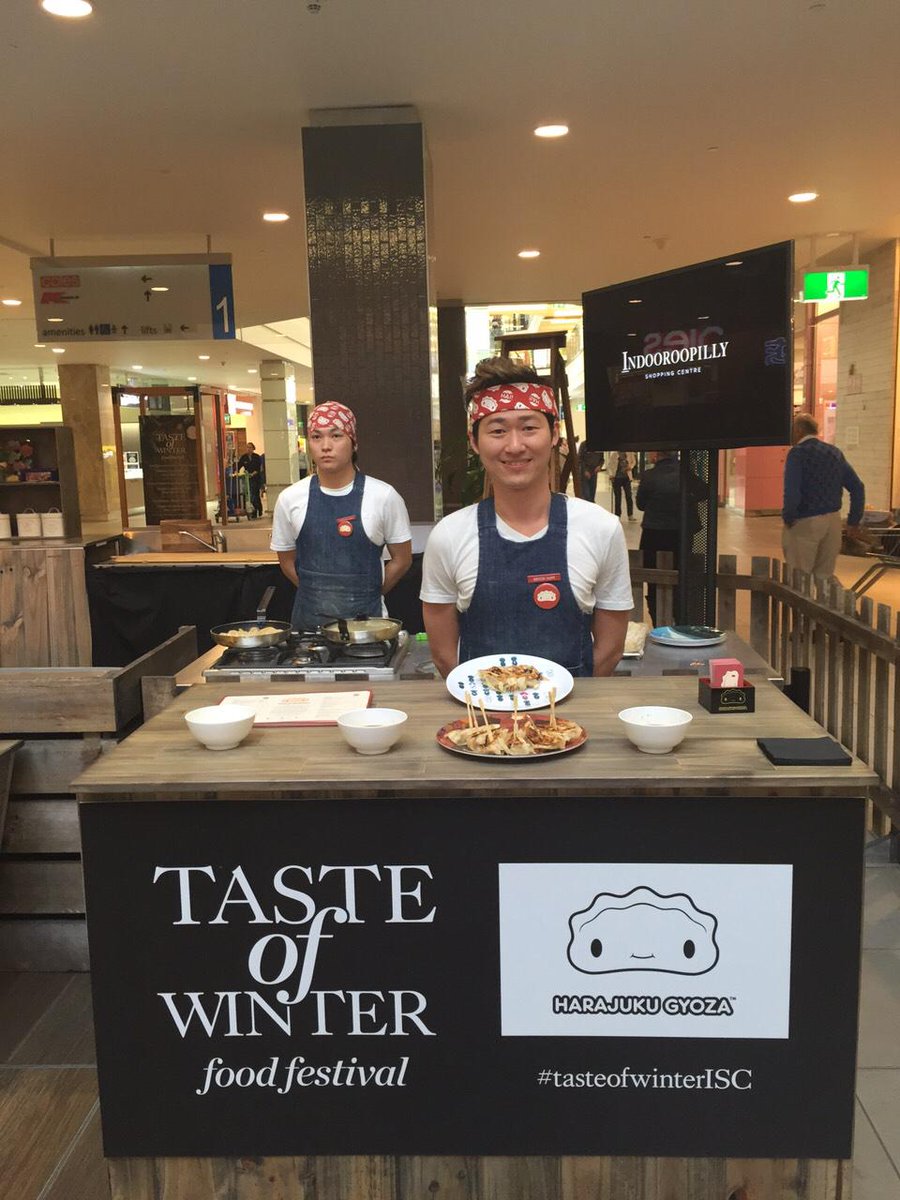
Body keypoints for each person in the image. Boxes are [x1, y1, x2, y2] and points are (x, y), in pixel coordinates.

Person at [420, 357, 633, 678]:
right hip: (481, 721)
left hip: (572, 720)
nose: (515, 445)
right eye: (498, 430)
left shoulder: (600, 528)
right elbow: (443, 654)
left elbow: (609, 651)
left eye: (529, 427)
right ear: (474, 442)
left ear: (555, 435)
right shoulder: (449, 536)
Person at [270, 401, 413, 631]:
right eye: (317, 437)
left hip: (368, 630)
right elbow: (286, 560)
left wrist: (367, 590)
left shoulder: (384, 496)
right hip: (308, 630)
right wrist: (317, 591)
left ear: (353, 443)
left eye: (336, 436)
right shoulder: (290, 499)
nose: (326, 446)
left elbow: (403, 559)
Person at [782, 412, 864, 581]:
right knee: (824, 577)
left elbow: (792, 491)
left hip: (806, 521)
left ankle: (801, 608)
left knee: (799, 578)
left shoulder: (797, 453)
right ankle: (826, 607)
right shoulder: (834, 453)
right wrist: (853, 521)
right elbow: (857, 487)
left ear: (798, 430)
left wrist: (789, 517)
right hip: (833, 522)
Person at [635, 450, 705, 626]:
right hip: (681, 534)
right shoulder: (687, 474)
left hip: (654, 534)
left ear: (655, 455)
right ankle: (681, 619)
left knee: (653, 580)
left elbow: (641, 504)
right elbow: (705, 492)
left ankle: (659, 622)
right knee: (681, 577)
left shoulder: (650, 476)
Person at [237, 442, 264, 519]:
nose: (248, 449)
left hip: (256, 478)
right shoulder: (244, 457)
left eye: (250, 447)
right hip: (248, 478)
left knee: (255, 495)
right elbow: (239, 465)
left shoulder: (257, 457)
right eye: (247, 447)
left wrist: (254, 473)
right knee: (250, 495)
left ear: (253, 448)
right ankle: (253, 511)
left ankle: (259, 509)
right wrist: (236, 471)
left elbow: (259, 468)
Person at [611, 450, 636, 519]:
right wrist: (611, 475)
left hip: (627, 478)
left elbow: (633, 462)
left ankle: (630, 514)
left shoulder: (630, 453)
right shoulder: (614, 454)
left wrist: (630, 467)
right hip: (617, 478)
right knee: (618, 497)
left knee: (629, 496)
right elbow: (611, 465)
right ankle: (617, 515)